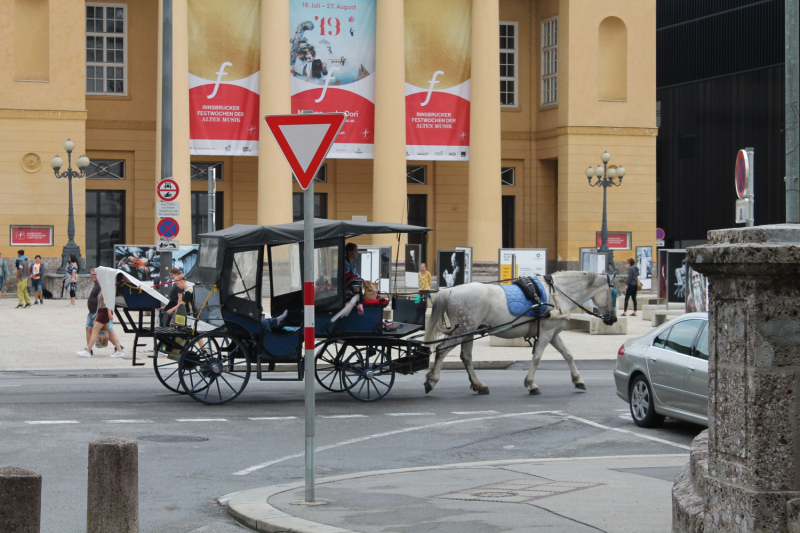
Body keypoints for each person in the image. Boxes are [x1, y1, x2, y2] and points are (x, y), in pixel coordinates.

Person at [77, 268, 123, 357]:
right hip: (103, 310)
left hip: (105, 311)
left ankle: (88, 350)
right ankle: (119, 349)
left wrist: (109, 313)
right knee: (110, 331)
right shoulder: (104, 285)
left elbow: (109, 300)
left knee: (94, 330)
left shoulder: (107, 286)